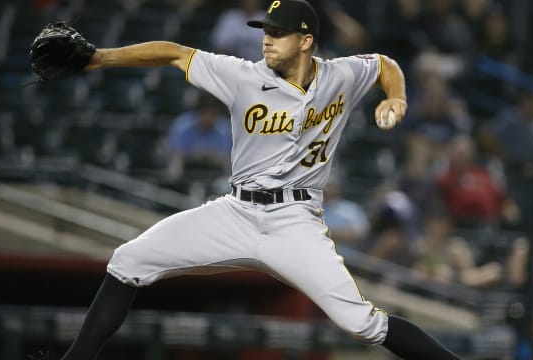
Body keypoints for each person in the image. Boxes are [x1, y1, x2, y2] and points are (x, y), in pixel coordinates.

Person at [55, 1, 461, 359]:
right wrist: (98, 58)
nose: (267, 40)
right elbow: (175, 54)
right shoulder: (242, 76)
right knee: (128, 261)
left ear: (305, 41)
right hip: (236, 212)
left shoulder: (341, 75)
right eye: (265, 31)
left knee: (363, 323)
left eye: (278, 33)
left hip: (295, 221)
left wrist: (397, 96)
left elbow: (384, 65)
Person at [165, 90, 232, 181]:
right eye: (206, 112)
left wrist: (209, 156)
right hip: (186, 172)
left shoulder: (225, 130)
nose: (210, 118)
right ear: (199, 112)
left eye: (214, 113)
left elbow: (227, 160)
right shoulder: (182, 126)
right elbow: (175, 155)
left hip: (215, 174)